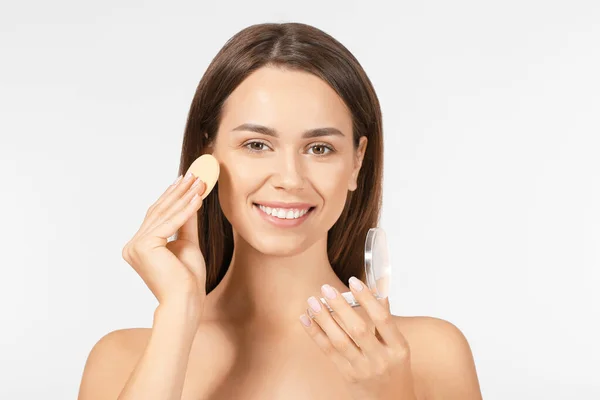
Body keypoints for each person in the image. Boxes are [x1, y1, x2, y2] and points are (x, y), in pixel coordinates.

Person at [77, 22, 483, 400]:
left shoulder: (430, 353)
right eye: (256, 145)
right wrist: (178, 315)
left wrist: (392, 391)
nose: (290, 178)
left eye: (319, 148)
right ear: (208, 153)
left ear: (357, 162)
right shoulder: (122, 357)